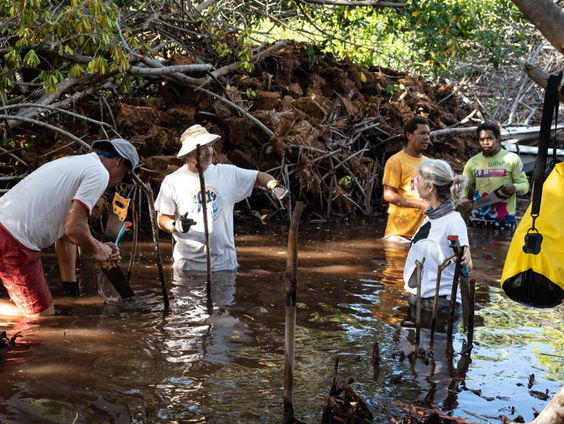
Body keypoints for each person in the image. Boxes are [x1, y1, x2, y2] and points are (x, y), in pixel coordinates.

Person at [0, 138, 140, 317]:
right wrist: (98, 249)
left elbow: (65, 233)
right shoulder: (99, 173)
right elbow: (73, 228)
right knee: (41, 318)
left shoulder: (73, 162)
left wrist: (98, 246)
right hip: (14, 240)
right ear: (120, 162)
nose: (117, 183)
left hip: (6, 227)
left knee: (36, 311)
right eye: (123, 176)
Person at [155, 124, 288, 272]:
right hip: (188, 267)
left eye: (210, 146)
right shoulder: (173, 181)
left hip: (225, 265)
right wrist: (175, 225)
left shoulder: (227, 173)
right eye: (202, 148)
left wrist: (276, 187)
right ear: (188, 154)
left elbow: (258, 177)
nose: (209, 152)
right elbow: (161, 218)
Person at [403, 159, 472, 316]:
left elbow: (467, 264)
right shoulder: (430, 217)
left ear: (430, 187)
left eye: (418, 180)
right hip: (421, 300)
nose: (414, 184)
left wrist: (465, 256)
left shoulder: (453, 221)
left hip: (440, 305)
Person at [460, 121, 530, 230]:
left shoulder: (512, 159)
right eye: (482, 139)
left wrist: (514, 187)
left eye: (489, 138)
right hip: (478, 217)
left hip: (505, 218)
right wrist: (463, 197)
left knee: (502, 247)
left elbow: (525, 186)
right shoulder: (472, 162)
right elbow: (463, 185)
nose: (485, 142)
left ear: (497, 138)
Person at [382, 117, 431, 242]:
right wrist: (420, 205)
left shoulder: (429, 163)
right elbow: (389, 195)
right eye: (422, 133)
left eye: (428, 133)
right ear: (409, 135)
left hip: (423, 234)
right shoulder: (395, 161)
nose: (426, 137)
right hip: (398, 234)